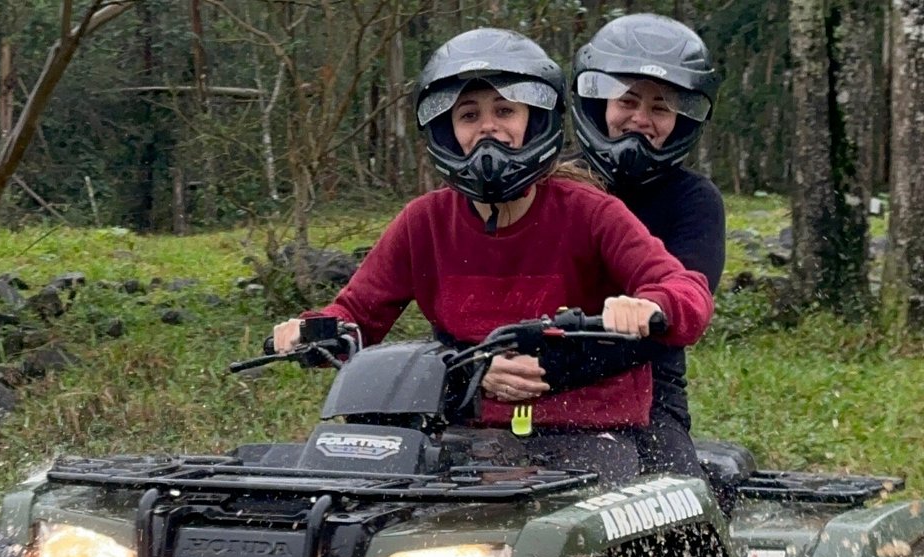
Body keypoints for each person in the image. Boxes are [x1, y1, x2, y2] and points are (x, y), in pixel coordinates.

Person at [271, 28, 714, 486]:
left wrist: (651, 304)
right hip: (460, 430)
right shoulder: (423, 220)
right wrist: (311, 331)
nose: (488, 127)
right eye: (469, 115)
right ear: (447, 130)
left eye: (504, 110)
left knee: (634, 540)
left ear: (535, 120)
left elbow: (685, 289)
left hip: (587, 431)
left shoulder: (592, 211)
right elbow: (357, 314)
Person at [570, 13, 725, 477]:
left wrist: (647, 312)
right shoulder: (556, 185)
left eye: (659, 108)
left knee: (675, 514)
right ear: (600, 104)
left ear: (680, 119)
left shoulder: (695, 200)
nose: (640, 119)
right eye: (628, 101)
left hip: (647, 394)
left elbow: (685, 305)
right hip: (532, 386)